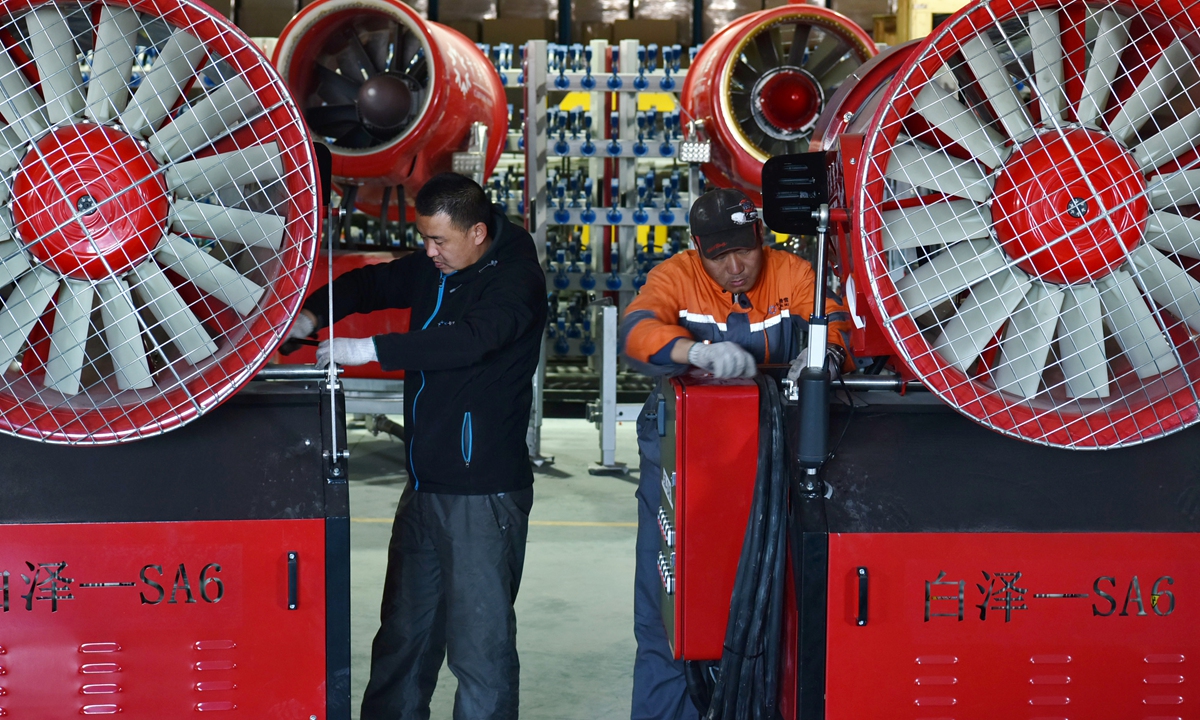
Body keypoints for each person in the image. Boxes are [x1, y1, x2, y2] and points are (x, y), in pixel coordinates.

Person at [289, 172, 547, 720]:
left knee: (479, 650)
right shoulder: (438, 267)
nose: (429, 252)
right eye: (424, 238)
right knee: (404, 636)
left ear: (477, 232)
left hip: (481, 492)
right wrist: (313, 313)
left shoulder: (515, 281)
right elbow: (372, 284)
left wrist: (370, 348)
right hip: (425, 486)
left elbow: (469, 340)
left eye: (438, 240)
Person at [619, 187, 851, 720]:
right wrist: (693, 351)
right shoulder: (675, 276)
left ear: (760, 237)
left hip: (772, 460)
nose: (735, 268)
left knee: (773, 606)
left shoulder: (793, 273)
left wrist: (825, 358)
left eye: (744, 250)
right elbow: (637, 330)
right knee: (669, 609)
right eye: (719, 257)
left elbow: (835, 320)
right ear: (698, 249)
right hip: (683, 462)